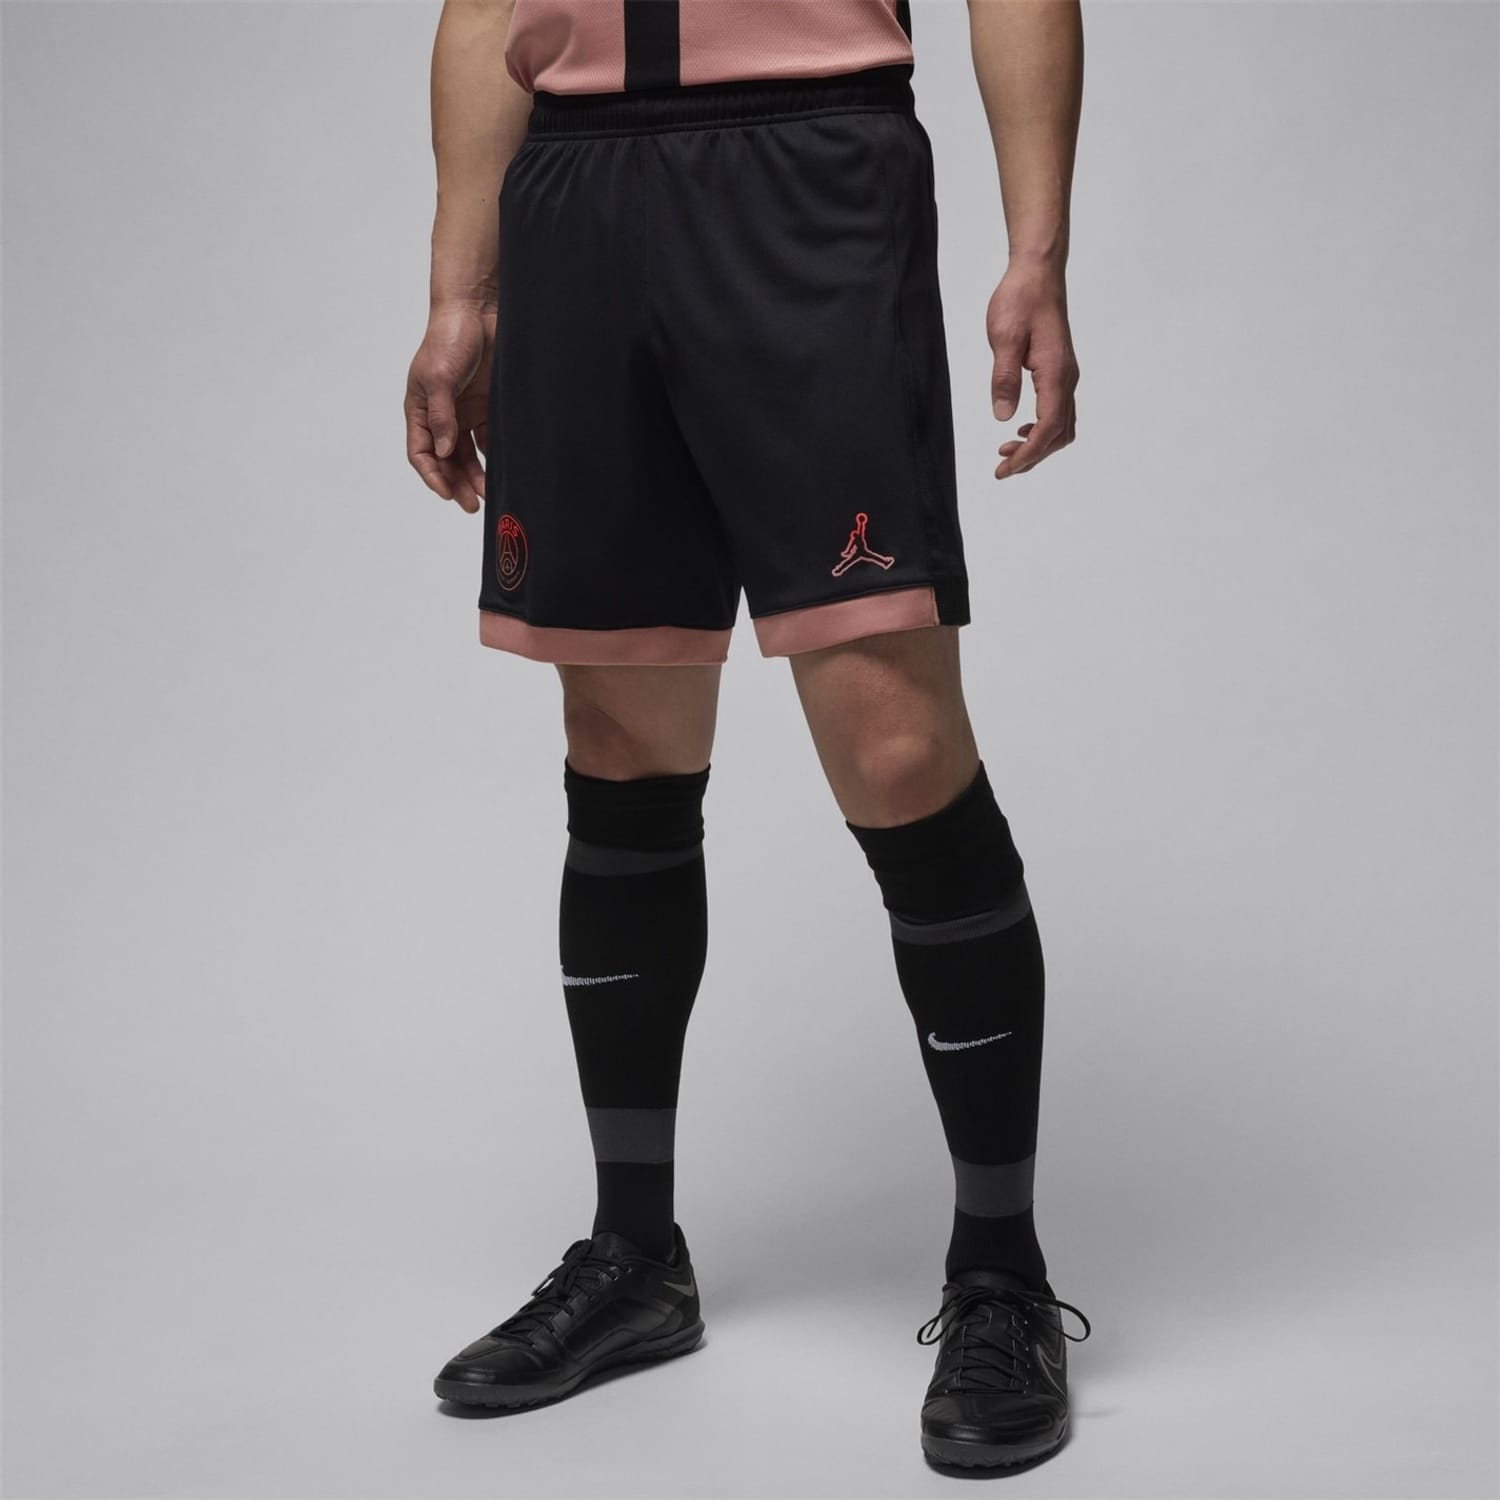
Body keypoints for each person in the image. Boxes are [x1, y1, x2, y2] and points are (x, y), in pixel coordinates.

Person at [405, 0, 1090, 1471]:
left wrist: (1036, 251)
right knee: (618, 727)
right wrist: (460, 289)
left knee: (894, 740)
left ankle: (1001, 1275)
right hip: (575, 188)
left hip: (810, 161)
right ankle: (635, 1257)